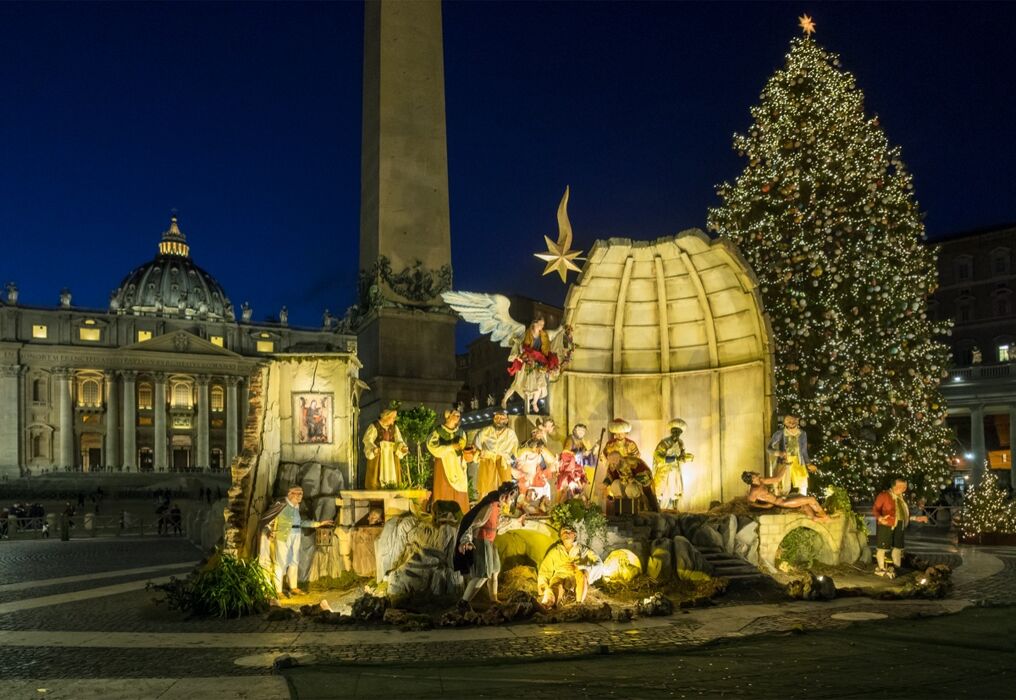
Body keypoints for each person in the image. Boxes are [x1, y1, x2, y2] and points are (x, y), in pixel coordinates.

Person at [454, 482, 521, 610]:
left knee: (495, 570)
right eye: (512, 498)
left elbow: (497, 525)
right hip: (482, 541)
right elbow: (473, 523)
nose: (511, 501)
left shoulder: (497, 506)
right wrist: (466, 540)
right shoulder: (490, 506)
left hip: (490, 541)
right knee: (482, 574)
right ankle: (463, 602)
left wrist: (517, 522)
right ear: (508, 495)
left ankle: (493, 600)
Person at [259, 486, 333, 597]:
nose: (300, 496)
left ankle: (293, 587)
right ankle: (278, 591)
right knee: (280, 562)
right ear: (290, 494)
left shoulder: (296, 507)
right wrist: (269, 531)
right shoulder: (281, 504)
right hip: (283, 536)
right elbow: (268, 519)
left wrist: (318, 524)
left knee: (294, 561)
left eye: (301, 494)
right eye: (297, 493)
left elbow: (300, 523)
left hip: (296, 536)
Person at [872, 478, 929, 578]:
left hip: (900, 524)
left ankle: (897, 567)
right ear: (894, 486)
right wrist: (880, 518)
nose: (903, 488)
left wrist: (916, 518)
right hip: (887, 524)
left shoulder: (901, 498)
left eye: (905, 486)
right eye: (901, 486)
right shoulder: (884, 495)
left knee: (898, 548)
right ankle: (881, 568)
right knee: (882, 547)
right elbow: (875, 509)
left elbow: (903, 515)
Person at [504, 317, 560, 413]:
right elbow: (520, 346)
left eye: (543, 324)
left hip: (538, 362)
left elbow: (557, 333)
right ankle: (504, 399)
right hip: (527, 362)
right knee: (517, 384)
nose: (542, 326)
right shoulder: (525, 334)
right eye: (540, 324)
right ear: (534, 324)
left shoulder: (544, 335)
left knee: (540, 384)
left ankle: (534, 402)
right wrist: (521, 355)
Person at [538, 526, 603, 607]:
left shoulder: (583, 550)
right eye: (564, 532)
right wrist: (544, 587)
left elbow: (599, 564)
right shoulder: (554, 551)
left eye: (569, 532)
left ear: (575, 535)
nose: (566, 534)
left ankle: (578, 605)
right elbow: (544, 570)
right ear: (560, 536)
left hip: (576, 578)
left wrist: (579, 567)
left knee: (582, 574)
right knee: (555, 585)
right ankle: (547, 605)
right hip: (560, 577)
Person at [427, 408, 473, 514]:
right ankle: (442, 514)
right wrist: (450, 447)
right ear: (448, 416)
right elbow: (432, 447)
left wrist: (469, 453)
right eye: (455, 415)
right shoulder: (438, 432)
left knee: (460, 490)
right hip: (444, 464)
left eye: (459, 416)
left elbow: (463, 448)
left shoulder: (461, 432)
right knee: (443, 489)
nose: (458, 417)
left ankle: (461, 514)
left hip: (458, 465)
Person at [742, 468, 831, 521]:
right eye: (753, 474)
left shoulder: (761, 481)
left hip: (783, 498)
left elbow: (777, 479)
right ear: (752, 479)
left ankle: (815, 518)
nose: (754, 473)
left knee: (804, 502)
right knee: (811, 499)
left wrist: (786, 465)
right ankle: (824, 516)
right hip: (781, 503)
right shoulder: (754, 491)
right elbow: (749, 503)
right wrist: (765, 506)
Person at [767, 414, 817, 495]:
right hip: (785, 461)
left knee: (803, 484)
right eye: (788, 420)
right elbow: (769, 448)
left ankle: (802, 500)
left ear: (797, 421)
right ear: (784, 422)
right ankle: (781, 499)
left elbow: (804, 451)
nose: (791, 422)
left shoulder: (802, 433)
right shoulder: (780, 433)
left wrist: (808, 463)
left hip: (798, 461)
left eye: (793, 420)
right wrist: (779, 453)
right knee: (784, 485)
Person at [473, 409, 518, 498]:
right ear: (493, 419)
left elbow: (516, 452)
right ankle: (484, 506)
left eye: (502, 418)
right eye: (497, 418)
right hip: (487, 461)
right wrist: (479, 453)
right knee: (485, 490)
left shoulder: (511, 434)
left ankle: (504, 506)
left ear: (506, 420)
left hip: (503, 463)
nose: (499, 420)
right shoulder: (485, 431)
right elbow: (475, 446)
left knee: (506, 490)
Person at [362, 406, 409, 489]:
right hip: (379, 457)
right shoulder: (374, 426)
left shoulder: (394, 428)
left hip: (391, 456)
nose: (394, 420)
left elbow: (399, 440)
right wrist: (373, 448)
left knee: (392, 475)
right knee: (376, 478)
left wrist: (402, 447)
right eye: (393, 417)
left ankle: (392, 488)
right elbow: (367, 439)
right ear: (386, 416)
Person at [653, 418, 694, 511]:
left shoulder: (680, 443)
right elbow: (658, 457)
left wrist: (686, 458)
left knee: (675, 490)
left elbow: (682, 455)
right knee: (660, 490)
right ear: (671, 431)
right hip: (664, 471)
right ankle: (658, 508)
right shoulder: (664, 443)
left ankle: (675, 509)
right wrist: (674, 459)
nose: (676, 434)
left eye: (678, 432)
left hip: (675, 471)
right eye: (674, 431)